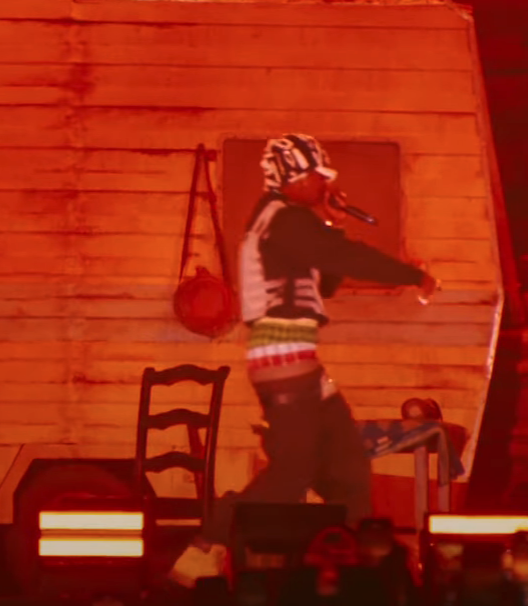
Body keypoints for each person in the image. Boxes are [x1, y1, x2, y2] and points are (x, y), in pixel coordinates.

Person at [170, 133, 438, 587]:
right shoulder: (284, 221)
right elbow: (344, 258)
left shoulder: (295, 224)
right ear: (293, 179)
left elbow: (327, 281)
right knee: (292, 472)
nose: (325, 183)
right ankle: (206, 545)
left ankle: (357, 560)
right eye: (318, 175)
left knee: (349, 464)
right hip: (282, 360)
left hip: (300, 361)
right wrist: (413, 275)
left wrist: (332, 223)